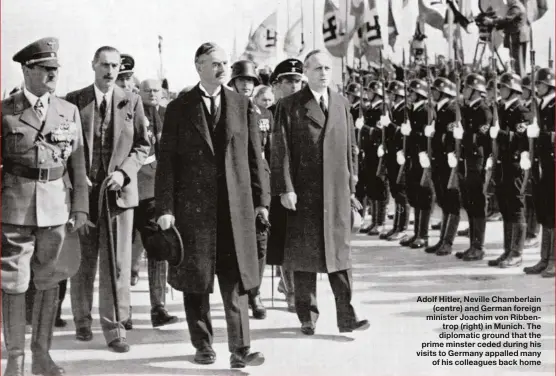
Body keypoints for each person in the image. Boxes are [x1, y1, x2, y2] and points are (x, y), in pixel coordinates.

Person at [155, 42, 268, 368]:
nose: (222, 69)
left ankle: (240, 350)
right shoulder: (179, 108)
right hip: (194, 213)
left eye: (225, 63)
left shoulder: (242, 105)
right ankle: (203, 346)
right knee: (196, 283)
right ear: (199, 65)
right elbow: (167, 164)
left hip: (235, 212)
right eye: (215, 63)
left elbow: (254, 158)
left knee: (236, 284)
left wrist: (261, 202)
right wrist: (165, 208)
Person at [2, 37, 88, 376]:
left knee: (48, 280)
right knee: (13, 282)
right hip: (13, 208)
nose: (53, 74)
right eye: (45, 68)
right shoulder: (5, 110)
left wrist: (80, 208)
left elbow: (79, 165)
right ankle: (16, 359)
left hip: (56, 208)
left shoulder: (68, 111)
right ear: (27, 70)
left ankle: (41, 355)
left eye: (55, 69)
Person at [271, 49, 368, 336]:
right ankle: (307, 316)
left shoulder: (341, 103)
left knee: (340, 256)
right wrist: (286, 188)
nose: (323, 73)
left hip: (336, 191)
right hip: (305, 191)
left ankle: (347, 316)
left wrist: (352, 189)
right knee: (304, 257)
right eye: (317, 69)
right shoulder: (289, 106)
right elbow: (281, 151)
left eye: (327, 68)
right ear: (306, 73)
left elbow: (351, 148)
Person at [66, 46, 149, 353]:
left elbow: (142, 146)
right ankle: (82, 321)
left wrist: (125, 173)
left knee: (116, 263)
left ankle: (114, 328)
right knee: (83, 262)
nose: (110, 70)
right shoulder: (74, 101)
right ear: (93, 65)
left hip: (118, 196)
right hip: (84, 197)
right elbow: (63, 147)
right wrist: (76, 178)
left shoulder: (132, 100)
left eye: (115, 65)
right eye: (104, 64)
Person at [130, 78, 179, 327]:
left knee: (158, 248)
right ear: (139, 92)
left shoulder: (167, 114)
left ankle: (158, 307)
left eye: (156, 90)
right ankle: (121, 310)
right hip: (132, 189)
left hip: (155, 193)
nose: (152, 94)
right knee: (125, 253)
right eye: (147, 90)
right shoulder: (130, 112)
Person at [228, 59, 271, 320]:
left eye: (250, 82)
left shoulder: (263, 114)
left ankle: (255, 292)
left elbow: (268, 153)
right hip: (233, 185)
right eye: (241, 81)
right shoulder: (225, 110)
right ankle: (239, 294)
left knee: (260, 241)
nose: (246, 85)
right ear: (232, 83)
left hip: (259, 182)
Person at [266, 58, 304, 313]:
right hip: (275, 184)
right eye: (288, 81)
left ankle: (289, 284)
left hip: (303, 185)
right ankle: (292, 291)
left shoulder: (307, 111)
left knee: (300, 240)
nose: (293, 86)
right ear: (275, 85)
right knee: (285, 240)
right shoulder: (267, 112)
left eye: (297, 81)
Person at [487, 72, 532, 268]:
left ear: (513, 89)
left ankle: (516, 252)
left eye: (504, 87)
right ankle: (507, 250)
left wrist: (502, 134)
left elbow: (521, 139)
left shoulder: (521, 112)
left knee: (516, 208)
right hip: (501, 164)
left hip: (514, 165)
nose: (501, 90)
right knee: (505, 207)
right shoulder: (501, 109)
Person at [454, 73, 493, 261]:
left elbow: (480, 138)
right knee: (469, 202)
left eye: (467, 88)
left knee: (477, 202)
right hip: (466, 161)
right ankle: (472, 245)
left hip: (477, 162)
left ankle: (479, 246)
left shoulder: (483, 110)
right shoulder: (469, 108)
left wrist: (464, 135)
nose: (464, 90)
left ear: (475, 90)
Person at [424, 77, 461, 256]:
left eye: (435, 90)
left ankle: (448, 241)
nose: (432, 93)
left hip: (448, 161)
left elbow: (453, 135)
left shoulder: (452, 109)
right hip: (439, 160)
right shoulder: (439, 108)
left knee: (451, 200)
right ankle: (442, 239)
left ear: (444, 92)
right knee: (443, 199)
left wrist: (451, 152)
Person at [524, 67, 555, 277]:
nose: (537, 87)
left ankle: (553, 259)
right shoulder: (540, 104)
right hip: (542, 164)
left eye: (541, 84)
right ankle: (545, 258)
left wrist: (542, 135)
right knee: (544, 211)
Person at [399, 78, 434, 249]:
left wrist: (412, 134)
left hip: (423, 157)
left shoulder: (426, 110)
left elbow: (425, 134)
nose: (409, 95)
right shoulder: (413, 110)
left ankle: (424, 235)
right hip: (413, 157)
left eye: (411, 92)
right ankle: (417, 232)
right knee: (415, 194)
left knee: (424, 195)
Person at [381, 80, 410, 242]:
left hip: (401, 155)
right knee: (395, 192)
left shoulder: (404, 110)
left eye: (392, 93)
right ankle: (397, 226)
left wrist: (390, 125)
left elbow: (403, 132)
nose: (390, 95)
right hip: (392, 154)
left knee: (401, 193)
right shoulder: (393, 109)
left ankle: (403, 227)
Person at [361, 79, 390, 236]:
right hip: (369, 151)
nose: (367, 93)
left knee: (380, 187)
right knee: (371, 185)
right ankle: (374, 221)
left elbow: (380, 131)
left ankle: (380, 221)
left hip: (378, 151)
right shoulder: (371, 108)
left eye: (370, 91)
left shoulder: (382, 108)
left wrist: (365, 128)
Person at [481, 0, 529, 77]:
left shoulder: (516, 7)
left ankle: (519, 80)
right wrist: (497, 25)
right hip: (516, 37)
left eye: (508, 0)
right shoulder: (516, 6)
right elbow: (509, 22)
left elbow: (507, 20)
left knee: (517, 63)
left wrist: (492, 21)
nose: (506, 2)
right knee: (515, 61)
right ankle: (519, 78)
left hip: (517, 37)